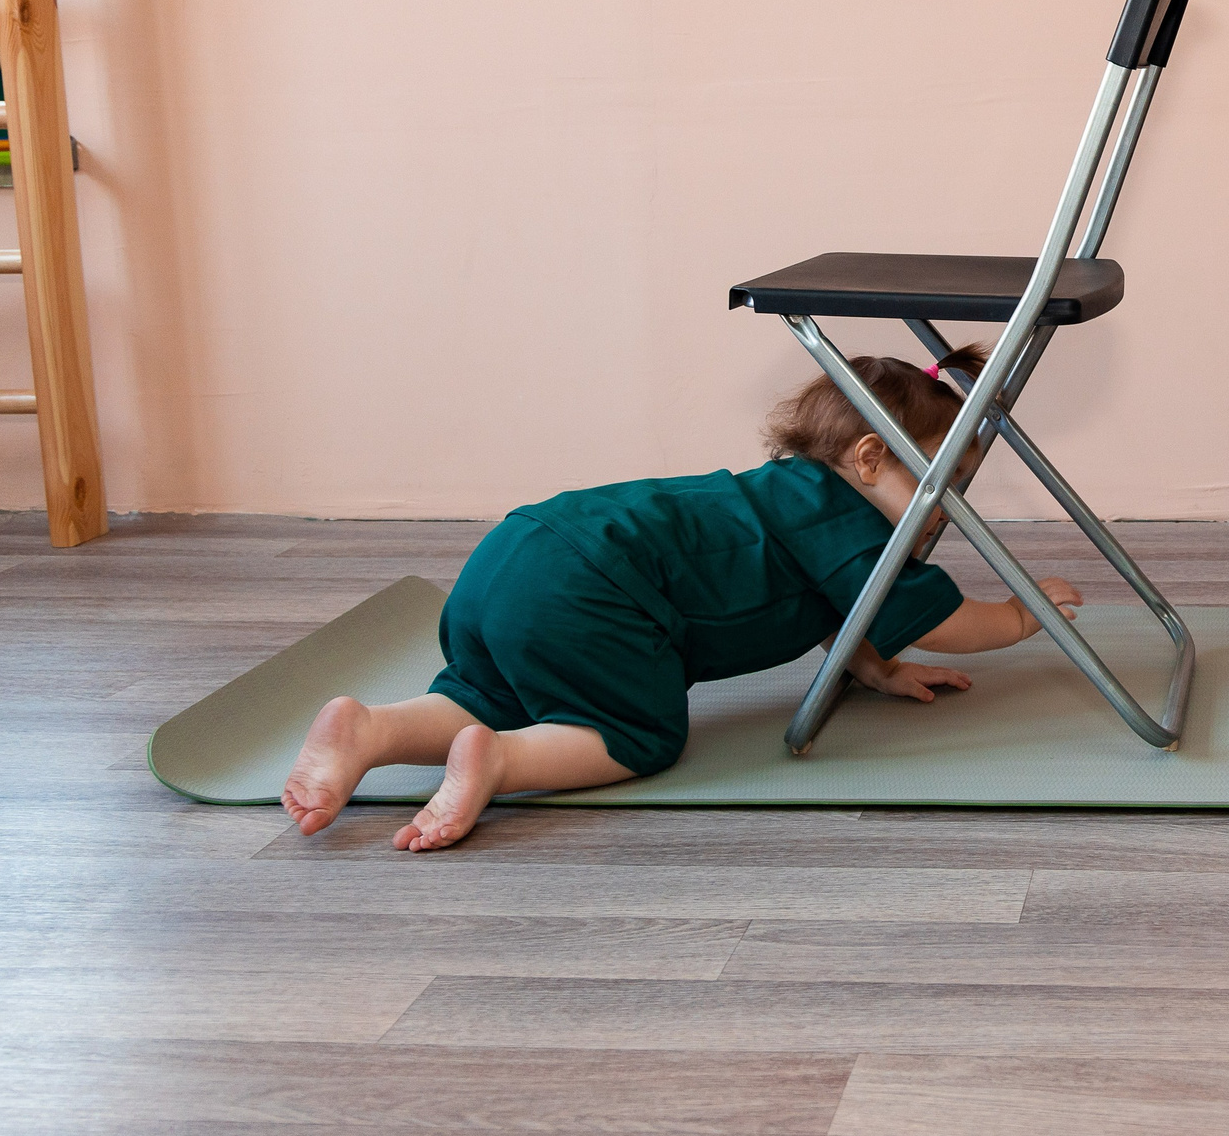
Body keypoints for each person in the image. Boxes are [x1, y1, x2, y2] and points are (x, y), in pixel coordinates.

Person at [281, 347, 1078, 849]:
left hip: (523, 550)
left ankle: (372, 730)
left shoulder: (791, 495)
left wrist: (870, 669)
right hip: (595, 592)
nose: (949, 507)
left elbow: (845, 604)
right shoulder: (851, 525)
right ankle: (504, 759)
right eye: (941, 483)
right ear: (870, 458)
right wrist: (1018, 615)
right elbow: (943, 621)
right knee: (638, 734)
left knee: (494, 690)